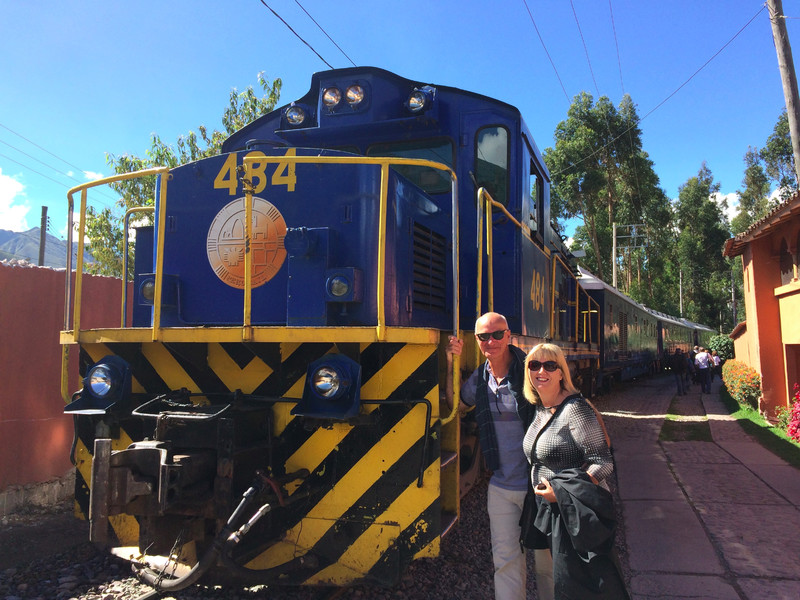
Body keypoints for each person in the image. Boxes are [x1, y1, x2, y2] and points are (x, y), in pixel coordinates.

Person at [446, 312, 553, 600]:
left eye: (497, 334)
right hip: (502, 487)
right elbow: (455, 402)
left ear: (509, 336)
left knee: (548, 565)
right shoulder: (481, 378)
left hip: (540, 488)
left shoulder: (532, 372)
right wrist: (450, 362)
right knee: (505, 562)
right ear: (477, 340)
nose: (490, 341)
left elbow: (569, 409)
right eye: (483, 336)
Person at [520, 343, 628, 599]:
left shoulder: (575, 409)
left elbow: (602, 461)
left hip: (574, 513)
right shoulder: (541, 408)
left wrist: (562, 492)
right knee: (560, 580)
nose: (541, 371)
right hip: (549, 511)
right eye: (534, 365)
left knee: (582, 585)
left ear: (561, 372)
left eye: (550, 365)